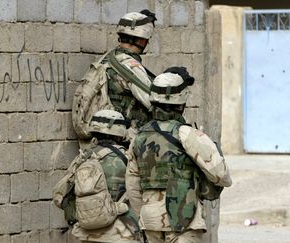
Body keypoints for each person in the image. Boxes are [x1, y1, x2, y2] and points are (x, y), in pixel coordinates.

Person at [125, 67, 232, 243]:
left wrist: (146, 213)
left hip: (150, 221)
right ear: (181, 103)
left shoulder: (138, 138)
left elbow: (133, 187)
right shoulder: (188, 134)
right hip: (184, 219)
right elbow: (222, 176)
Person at [71, 109, 140, 243]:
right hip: (121, 233)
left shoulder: (82, 159)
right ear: (120, 133)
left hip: (85, 234)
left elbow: (59, 197)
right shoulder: (128, 158)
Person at [105, 10, 157, 130]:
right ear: (141, 40)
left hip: (110, 129)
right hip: (128, 136)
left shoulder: (109, 58)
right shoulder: (131, 66)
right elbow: (153, 103)